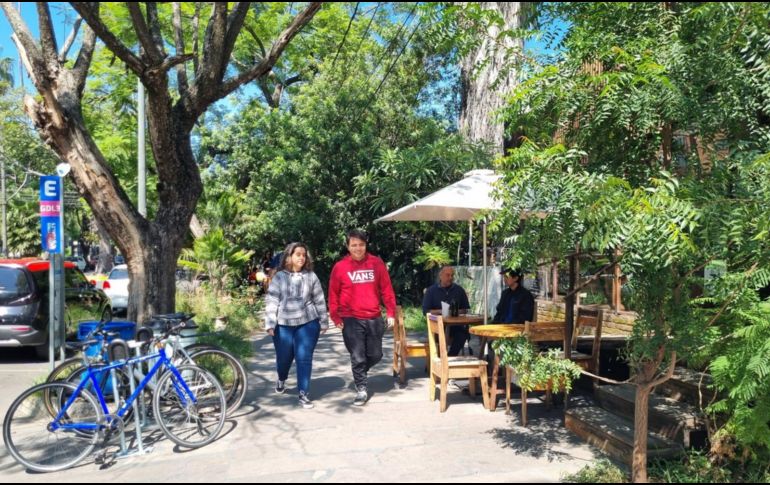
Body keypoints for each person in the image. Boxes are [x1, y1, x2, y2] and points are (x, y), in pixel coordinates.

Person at [329, 229, 396, 406]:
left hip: (373, 316)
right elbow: (333, 294)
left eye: (361, 245)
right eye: (354, 245)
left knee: (376, 354)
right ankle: (361, 389)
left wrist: (390, 312)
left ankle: (360, 372)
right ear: (348, 247)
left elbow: (386, 290)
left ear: (366, 245)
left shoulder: (376, 264)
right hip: (350, 318)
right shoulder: (340, 267)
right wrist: (335, 317)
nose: (358, 248)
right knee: (358, 356)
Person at [264, 242, 328, 409]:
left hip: (308, 323)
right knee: (284, 358)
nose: (301, 257)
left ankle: (303, 393)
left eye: (303, 255)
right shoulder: (279, 277)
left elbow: (319, 299)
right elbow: (272, 300)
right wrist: (270, 322)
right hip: (283, 325)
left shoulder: (311, 276)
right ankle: (281, 378)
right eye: (298, 254)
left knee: (304, 358)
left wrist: (323, 321)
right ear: (289, 257)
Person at [422, 265, 471, 356]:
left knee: (463, 334)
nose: (450, 278)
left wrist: (455, 311)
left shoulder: (459, 290)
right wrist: (440, 311)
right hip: (437, 326)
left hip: (455, 326)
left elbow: (465, 309)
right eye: (448, 275)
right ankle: (439, 360)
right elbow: (426, 311)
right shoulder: (431, 291)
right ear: (441, 276)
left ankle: (449, 357)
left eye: (452, 275)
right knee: (440, 335)